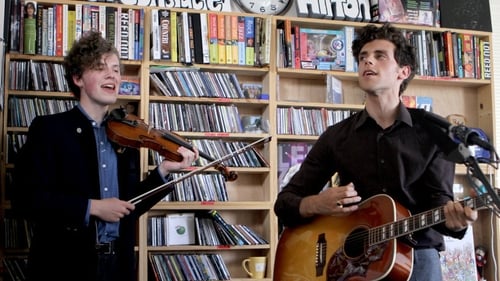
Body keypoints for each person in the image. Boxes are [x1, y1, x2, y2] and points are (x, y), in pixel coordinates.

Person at [274, 23, 478, 281]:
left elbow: (439, 204)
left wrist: (455, 221)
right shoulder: (337, 136)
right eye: (362, 57)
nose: (367, 60)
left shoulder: (434, 133)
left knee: (426, 260)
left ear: (403, 71)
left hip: (414, 256)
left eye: (379, 55)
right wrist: (317, 203)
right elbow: (284, 203)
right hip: (350, 265)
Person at [13, 31, 198, 281]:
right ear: (77, 78)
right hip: (64, 265)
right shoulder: (49, 129)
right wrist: (93, 207)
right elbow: (26, 199)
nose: (113, 75)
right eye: (101, 68)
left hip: (117, 265)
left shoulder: (126, 136)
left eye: (116, 69)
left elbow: (128, 208)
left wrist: (163, 172)